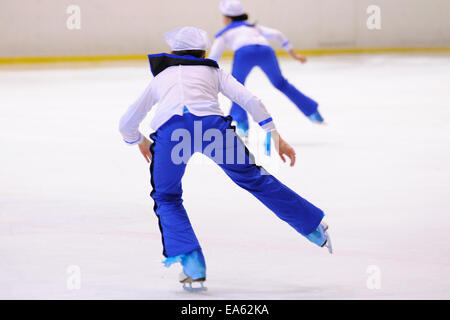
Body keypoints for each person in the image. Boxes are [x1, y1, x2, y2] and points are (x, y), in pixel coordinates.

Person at [119, 26, 331, 291]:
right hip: (213, 129)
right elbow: (250, 99)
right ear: (204, 52)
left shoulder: (161, 77)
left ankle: (193, 266)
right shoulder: (214, 72)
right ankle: (314, 227)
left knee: (167, 197)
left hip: (172, 133)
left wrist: (139, 140)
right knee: (254, 178)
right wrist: (274, 135)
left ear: (173, 52)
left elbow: (127, 122)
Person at [209, 0, 325, 138]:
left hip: (244, 53)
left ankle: (242, 124)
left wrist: (206, 70)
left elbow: (214, 56)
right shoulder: (254, 27)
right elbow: (277, 34)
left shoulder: (224, 34)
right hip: (266, 51)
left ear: (227, 18)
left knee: (236, 88)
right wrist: (294, 55)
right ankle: (312, 111)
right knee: (281, 83)